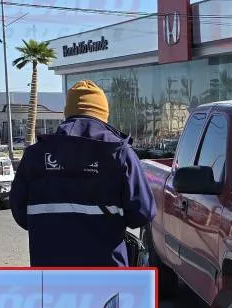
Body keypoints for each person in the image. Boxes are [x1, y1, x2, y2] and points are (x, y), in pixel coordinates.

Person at [8, 80, 155, 267]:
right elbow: (143, 213)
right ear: (103, 114)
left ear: (67, 112)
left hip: (50, 274)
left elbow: (20, 213)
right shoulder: (119, 153)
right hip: (107, 275)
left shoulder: (34, 155)